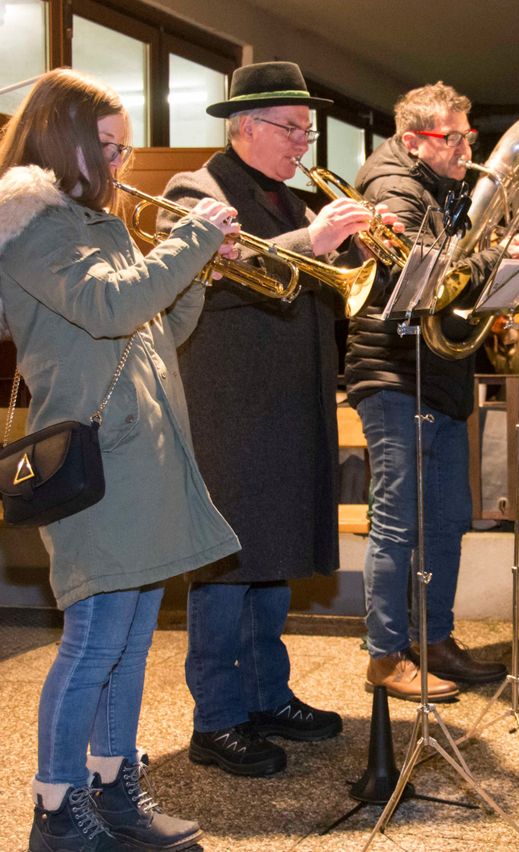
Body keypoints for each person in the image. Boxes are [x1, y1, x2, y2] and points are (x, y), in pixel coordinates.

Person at [0, 69, 241, 851]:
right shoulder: (32, 224)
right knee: (96, 638)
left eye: (122, 147)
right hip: (95, 463)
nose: (120, 164)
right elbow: (109, 307)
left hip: (135, 456)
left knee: (132, 638)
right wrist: (189, 240)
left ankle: (112, 789)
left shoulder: (84, 223)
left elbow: (152, 328)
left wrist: (198, 268)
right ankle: (56, 810)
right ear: (61, 137)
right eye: (107, 146)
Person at [160, 61, 393, 775]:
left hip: (290, 403)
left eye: (307, 129)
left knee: (273, 560)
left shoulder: (290, 198)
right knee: (228, 567)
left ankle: (267, 694)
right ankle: (217, 718)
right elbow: (218, 273)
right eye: (293, 129)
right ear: (244, 128)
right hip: (230, 407)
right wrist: (314, 244)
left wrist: (361, 247)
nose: (304, 143)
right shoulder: (194, 190)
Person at [346, 82, 519, 702]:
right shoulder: (391, 187)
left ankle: (433, 640)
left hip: (438, 372)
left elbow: (460, 266)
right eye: (450, 137)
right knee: (398, 520)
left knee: (449, 517)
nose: (465, 146)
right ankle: (385, 655)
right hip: (394, 368)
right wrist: (497, 261)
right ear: (412, 142)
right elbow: (426, 268)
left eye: (467, 134)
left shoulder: (444, 188)